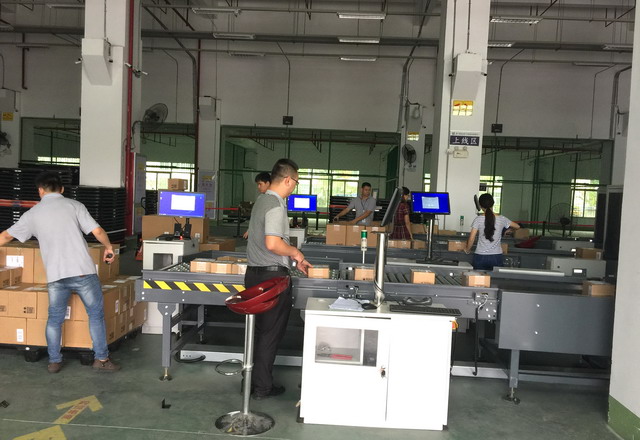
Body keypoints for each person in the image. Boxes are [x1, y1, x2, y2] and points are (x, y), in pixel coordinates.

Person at [0, 172, 120, 373]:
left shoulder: (32, 214)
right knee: (95, 315)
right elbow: (97, 231)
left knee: (55, 319)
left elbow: (5, 236)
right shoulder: (75, 206)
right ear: (62, 189)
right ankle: (101, 359)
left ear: (40, 191)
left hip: (56, 276)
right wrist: (108, 247)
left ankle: (54, 361)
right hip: (82, 272)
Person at [245, 158, 312, 399]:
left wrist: (293, 258)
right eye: (296, 182)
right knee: (269, 335)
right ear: (288, 180)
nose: (294, 187)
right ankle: (262, 387)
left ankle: (250, 381)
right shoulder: (275, 204)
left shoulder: (261, 201)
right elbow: (273, 244)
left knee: (258, 332)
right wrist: (296, 253)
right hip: (271, 279)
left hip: (254, 275)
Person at [464, 193, 520, 270]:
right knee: (496, 278)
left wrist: (467, 250)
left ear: (480, 206)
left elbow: (471, 238)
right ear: (493, 204)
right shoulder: (502, 219)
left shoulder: (478, 219)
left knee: (478, 278)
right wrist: (510, 230)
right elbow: (517, 226)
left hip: (480, 256)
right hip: (496, 257)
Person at [243, 171, 271, 239]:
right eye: (257, 184)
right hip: (256, 234)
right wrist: (249, 230)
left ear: (267, 183)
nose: (258, 187)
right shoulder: (260, 197)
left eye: (260, 184)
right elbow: (255, 216)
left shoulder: (272, 199)